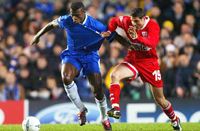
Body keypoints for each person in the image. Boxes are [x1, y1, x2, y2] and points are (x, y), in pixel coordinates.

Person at [31, 2, 131, 131]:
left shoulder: (97, 26)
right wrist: (38, 35)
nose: (74, 18)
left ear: (83, 12)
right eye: (72, 15)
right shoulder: (67, 20)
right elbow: (51, 24)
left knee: (98, 91)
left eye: (76, 15)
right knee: (66, 77)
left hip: (90, 56)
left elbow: (115, 36)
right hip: (72, 54)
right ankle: (81, 109)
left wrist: (130, 47)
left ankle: (104, 118)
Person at [101, 8, 182, 131]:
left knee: (160, 99)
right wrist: (110, 31)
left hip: (149, 63)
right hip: (133, 59)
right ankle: (116, 109)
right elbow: (114, 21)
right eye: (133, 21)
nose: (134, 24)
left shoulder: (153, 25)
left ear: (144, 18)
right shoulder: (127, 21)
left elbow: (151, 43)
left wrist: (137, 37)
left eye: (137, 22)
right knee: (115, 75)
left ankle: (175, 120)